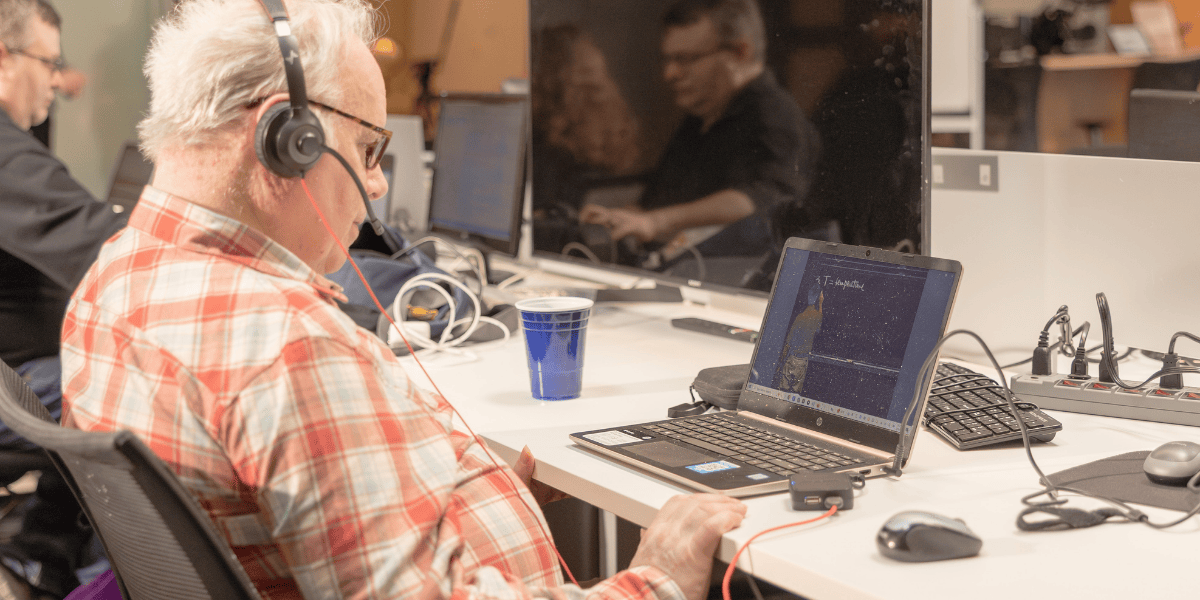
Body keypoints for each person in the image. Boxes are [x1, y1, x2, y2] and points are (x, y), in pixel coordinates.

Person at [60, 1, 747, 599]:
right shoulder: (290, 346)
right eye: (367, 149)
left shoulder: (111, 281)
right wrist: (654, 580)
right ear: (287, 140)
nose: (379, 184)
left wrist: (465, 496)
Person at [0, 1, 125, 596]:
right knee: (131, 391)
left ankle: (43, 555)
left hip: (18, 365)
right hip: (12, 377)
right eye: (48, 62)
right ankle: (77, 571)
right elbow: (99, 241)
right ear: (4, 60)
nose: (58, 78)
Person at [579, 0, 819, 260]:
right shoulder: (699, 118)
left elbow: (766, 198)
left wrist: (655, 222)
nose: (670, 73)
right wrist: (621, 218)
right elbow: (654, 207)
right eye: (668, 59)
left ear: (740, 52)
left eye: (685, 59)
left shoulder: (776, 117)